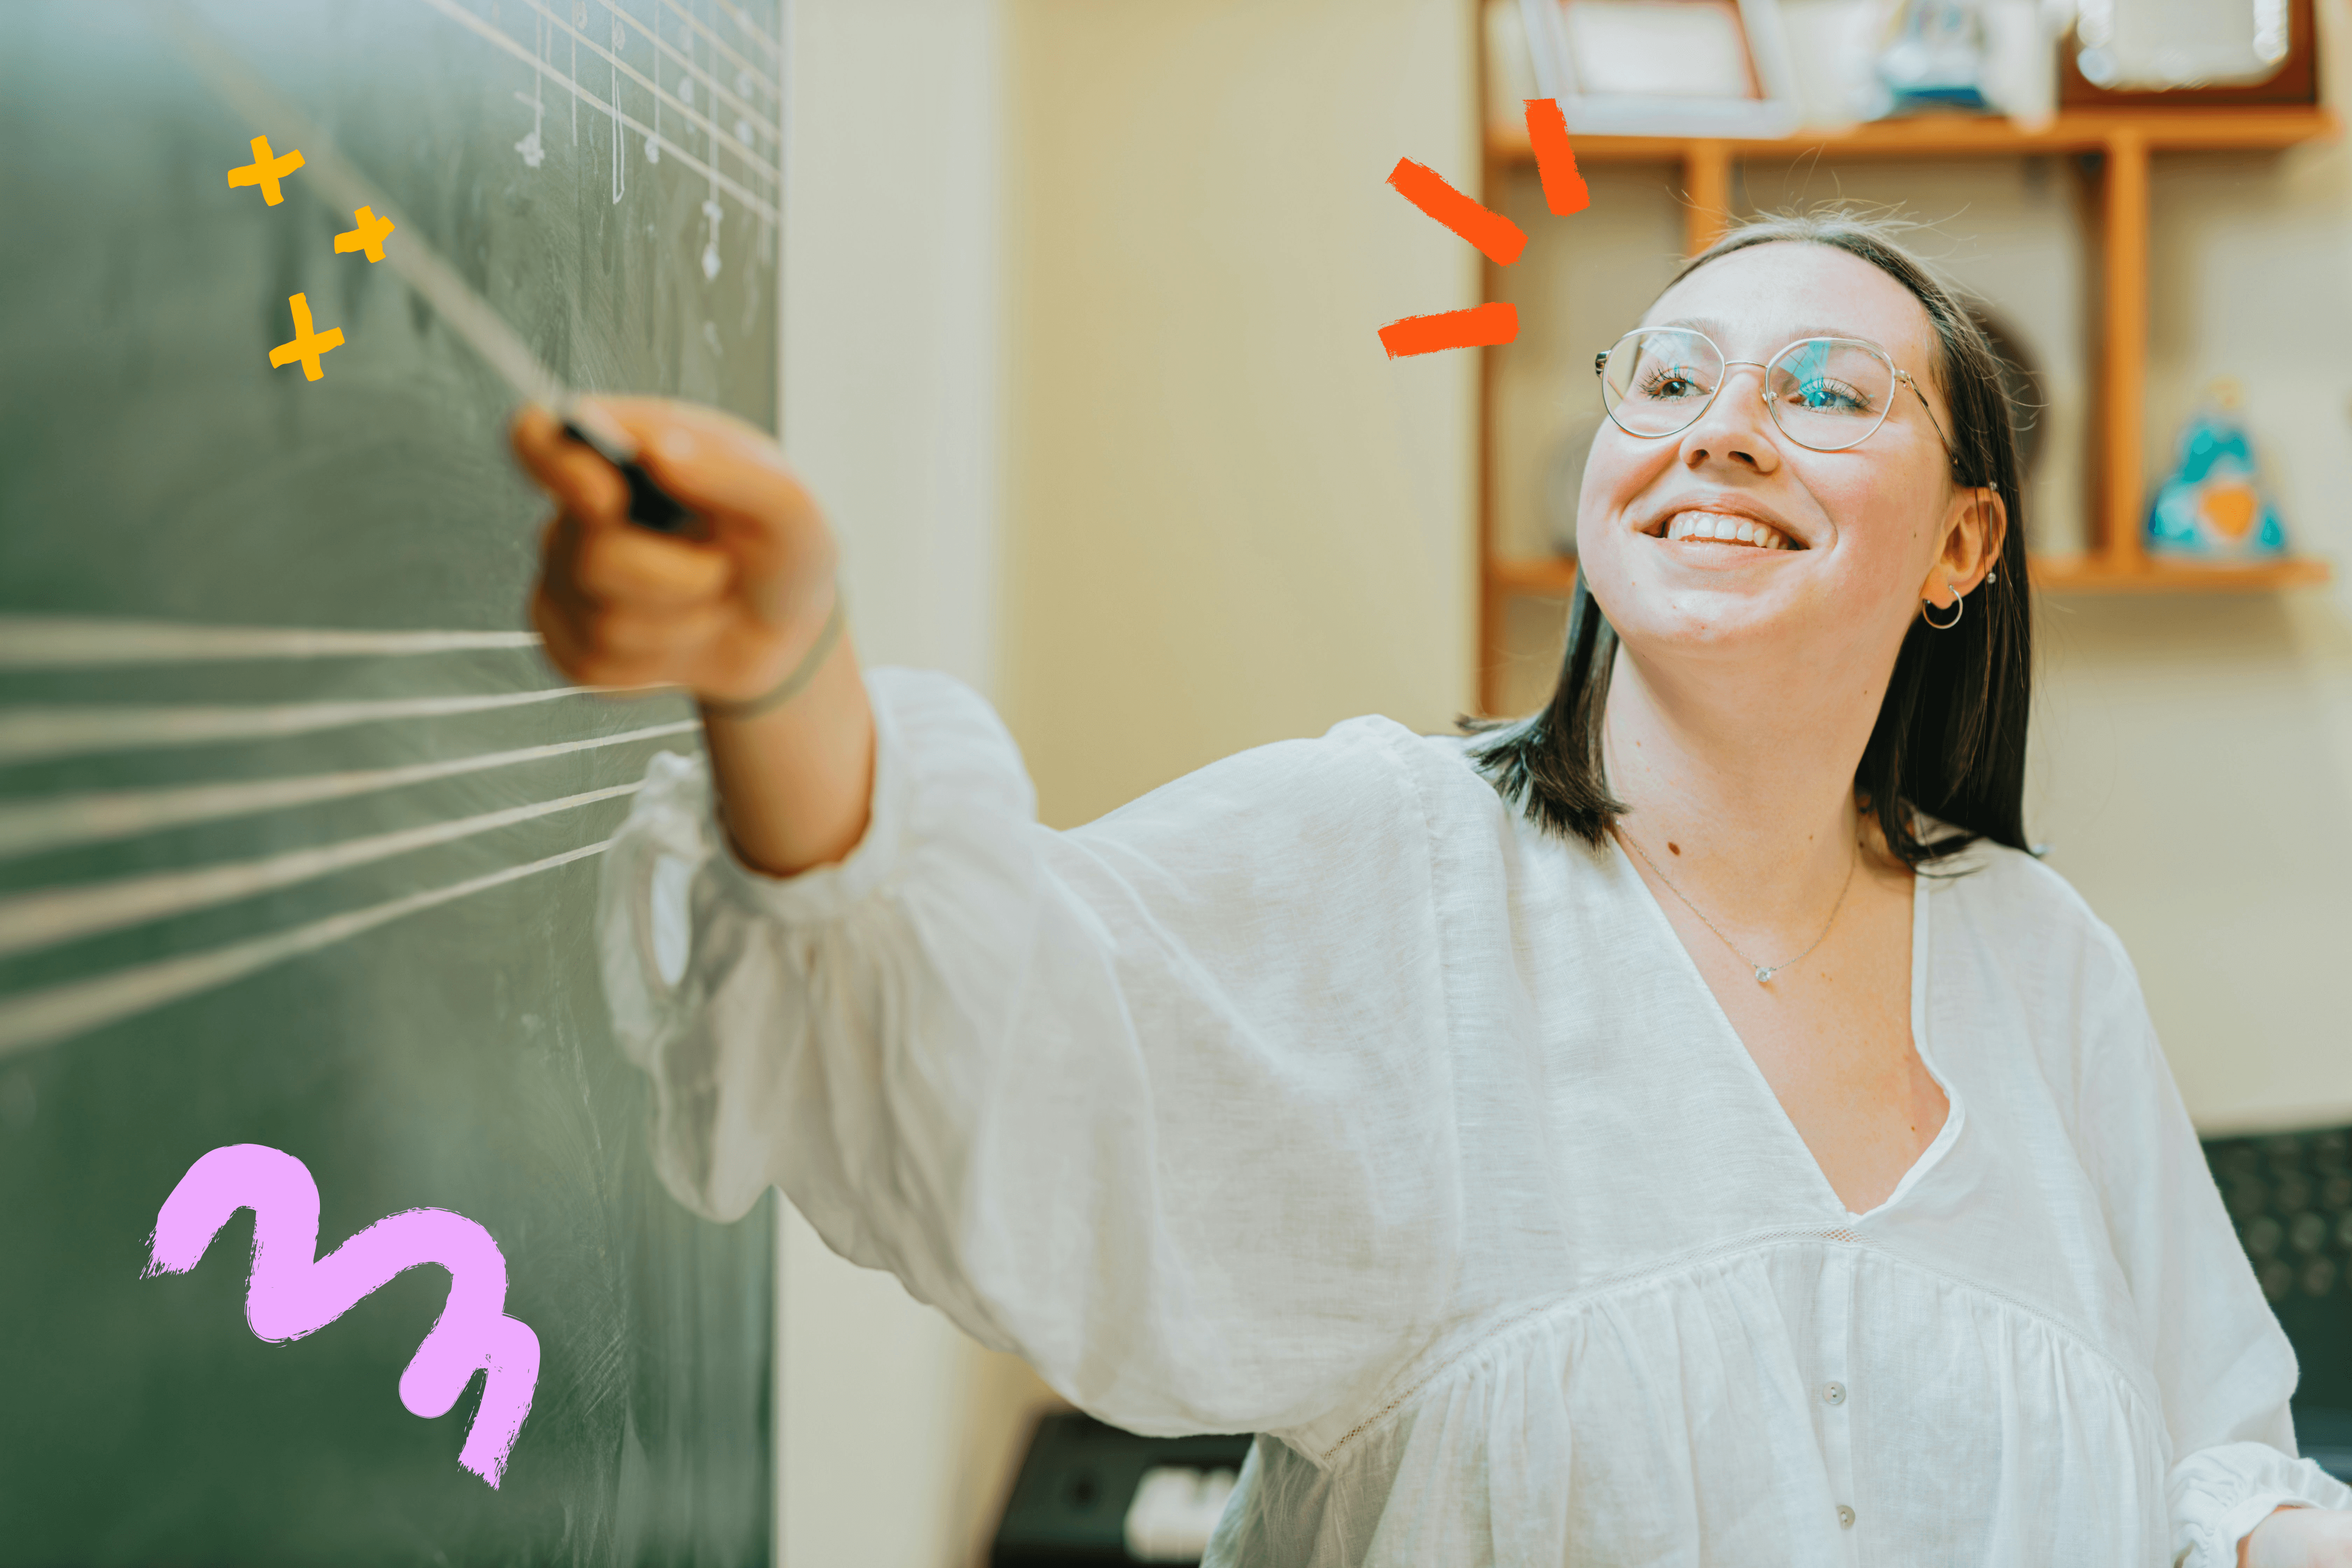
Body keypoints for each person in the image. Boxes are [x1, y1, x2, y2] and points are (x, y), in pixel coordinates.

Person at [515, 212, 2352, 1567]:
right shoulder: (1384, 859)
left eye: (1825, 393)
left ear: (1965, 538)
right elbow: (985, 1029)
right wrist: (781, 674)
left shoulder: (2044, 961)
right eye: (1670, 377)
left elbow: (2211, 1454)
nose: (1722, 428)